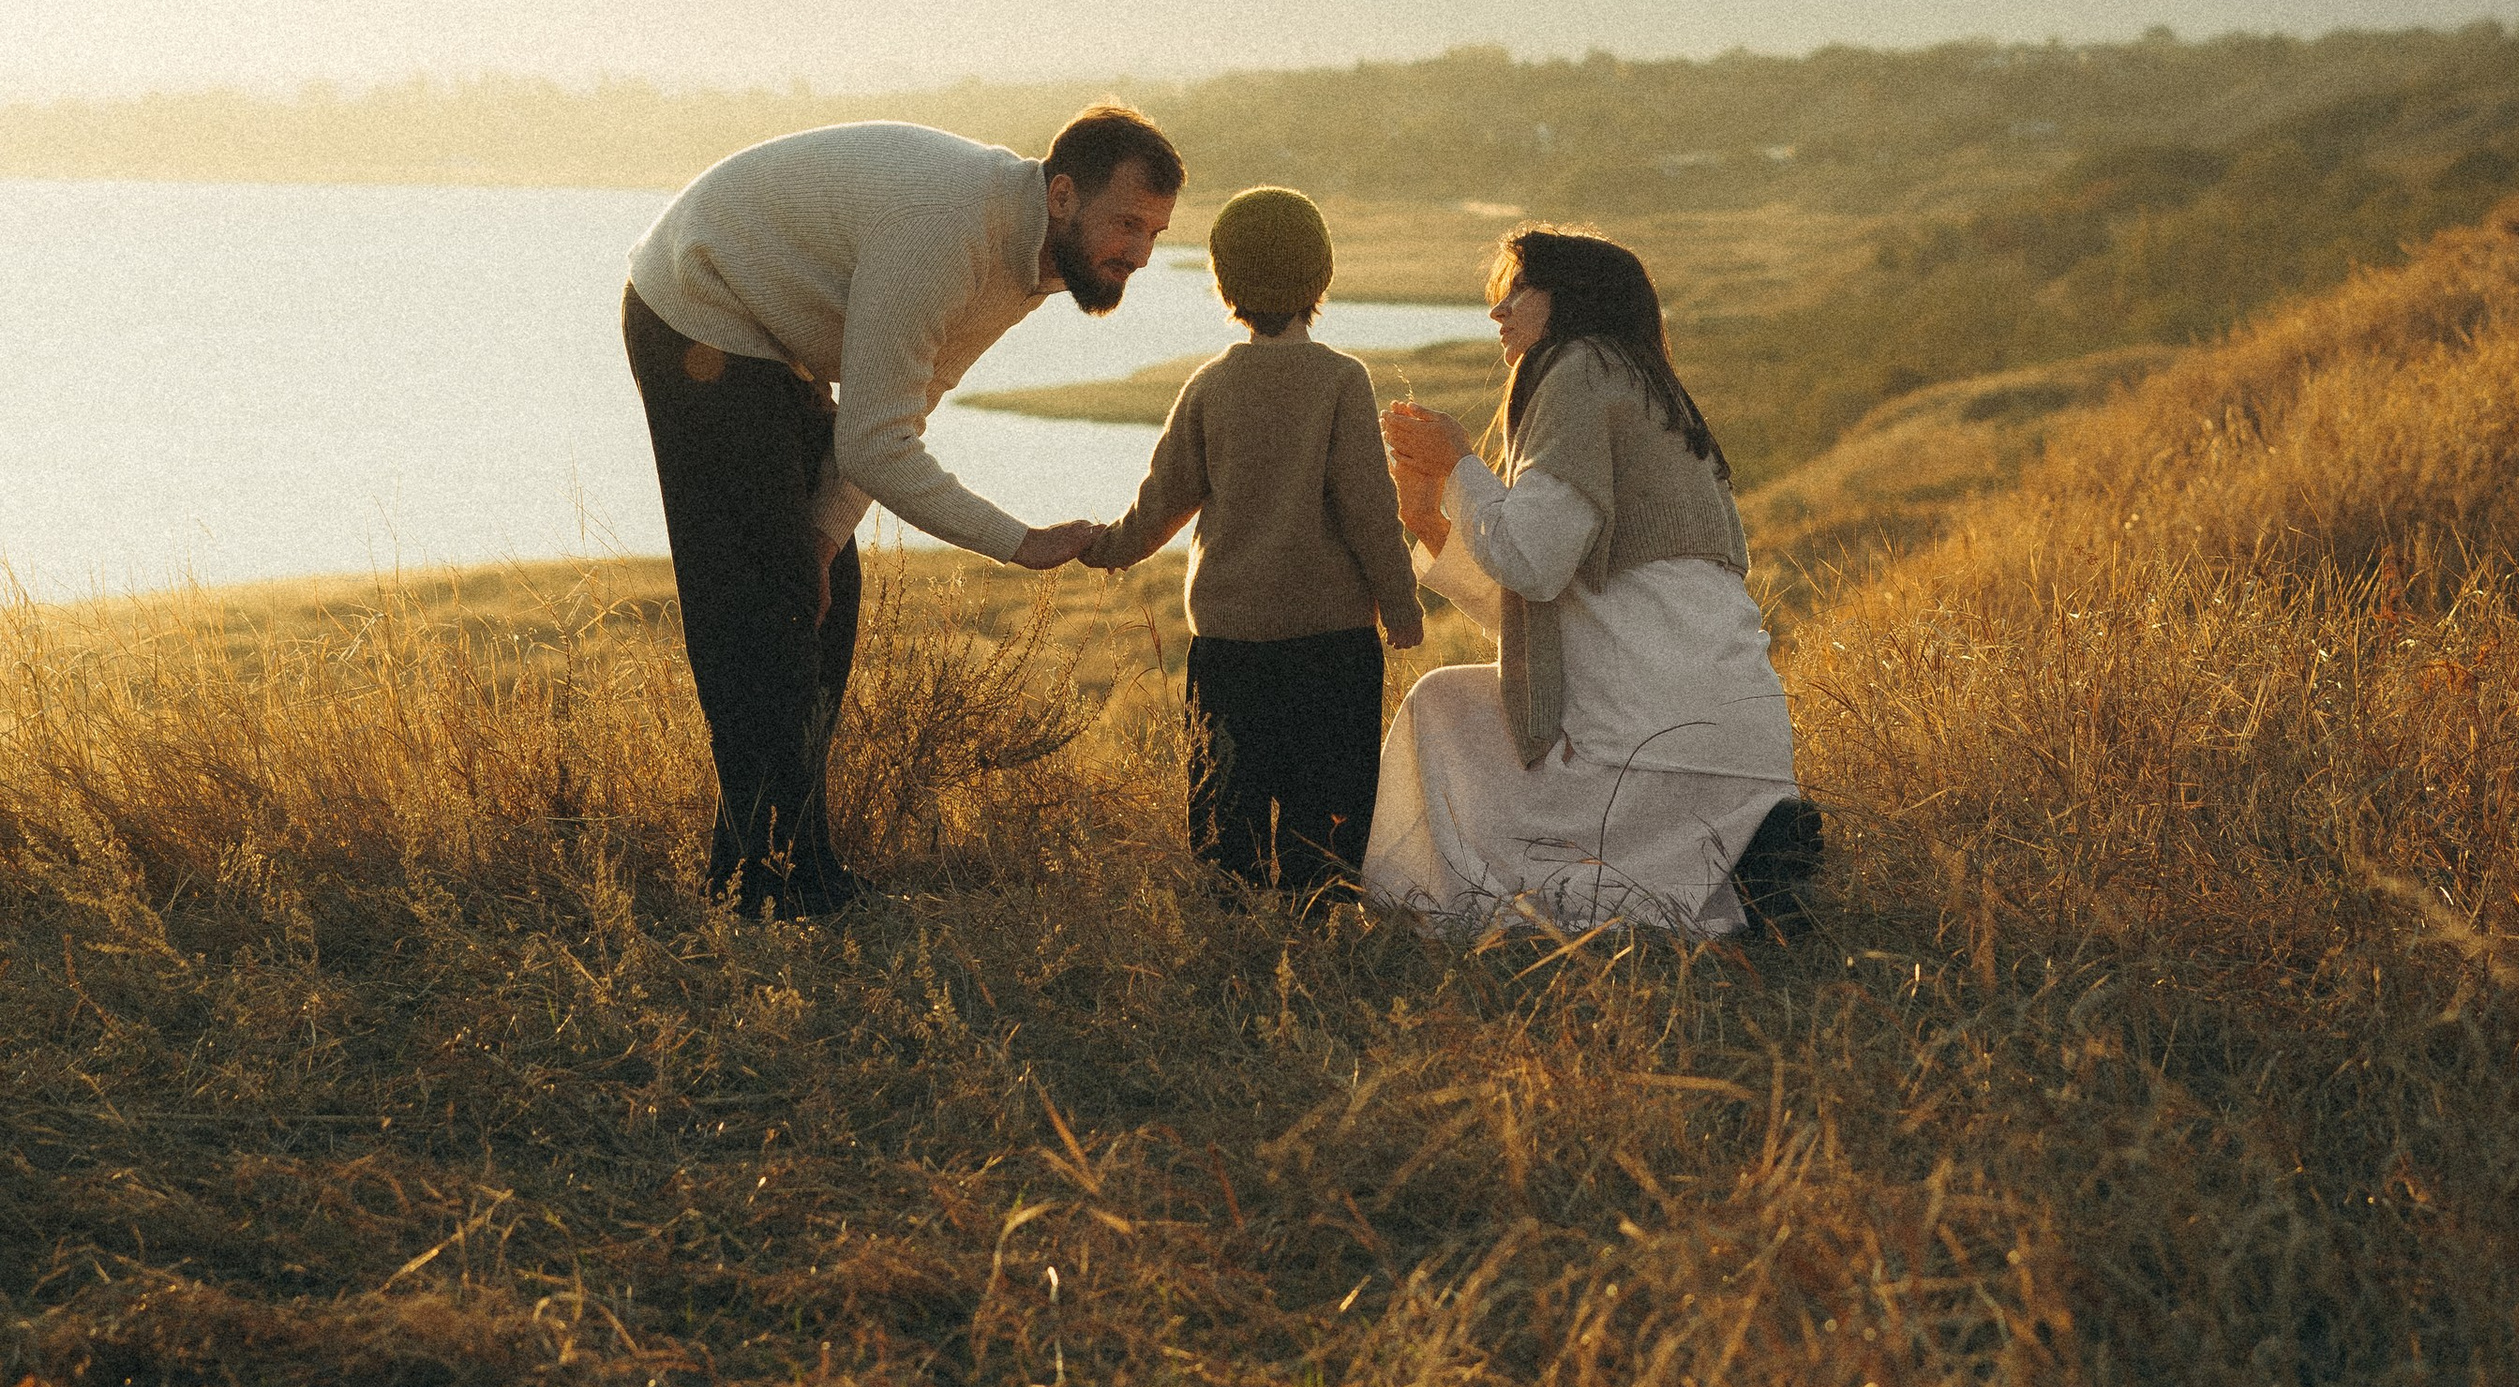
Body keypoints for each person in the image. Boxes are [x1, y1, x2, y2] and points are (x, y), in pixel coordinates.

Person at [622, 105, 1184, 913]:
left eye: (1155, 233)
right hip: (698, 306)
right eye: (1126, 224)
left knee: (823, 593)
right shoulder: (949, 231)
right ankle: (758, 887)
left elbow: (904, 407)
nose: (1139, 253)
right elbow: (874, 445)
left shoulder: (1032, 260)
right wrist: (1016, 541)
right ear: (1063, 195)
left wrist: (824, 538)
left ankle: (794, 866)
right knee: (765, 600)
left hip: (775, 338)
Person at [1366, 227, 1817, 942]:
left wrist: (1460, 465)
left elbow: (1534, 565)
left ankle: (1445, 907)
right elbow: (1539, 600)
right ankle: (1738, 861)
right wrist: (1428, 519)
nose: (1498, 310)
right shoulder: (1645, 387)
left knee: (1441, 715)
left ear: (1570, 298)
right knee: (1450, 704)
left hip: (1652, 725)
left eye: (1520, 289)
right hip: (1744, 743)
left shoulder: (1577, 368)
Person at [1085, 185, 1425, 897]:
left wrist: (1104, 546)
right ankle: (1315, 936)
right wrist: (1400, 603)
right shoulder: (1342, 380)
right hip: (1332, 645)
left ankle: (1234, 938)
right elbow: (1369, 509)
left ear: (1223, 283)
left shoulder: (1210, 385)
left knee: (1225, 821)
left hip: (1229, 648)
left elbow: (1160, 503)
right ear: (1321, 276)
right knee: (1325, 823)